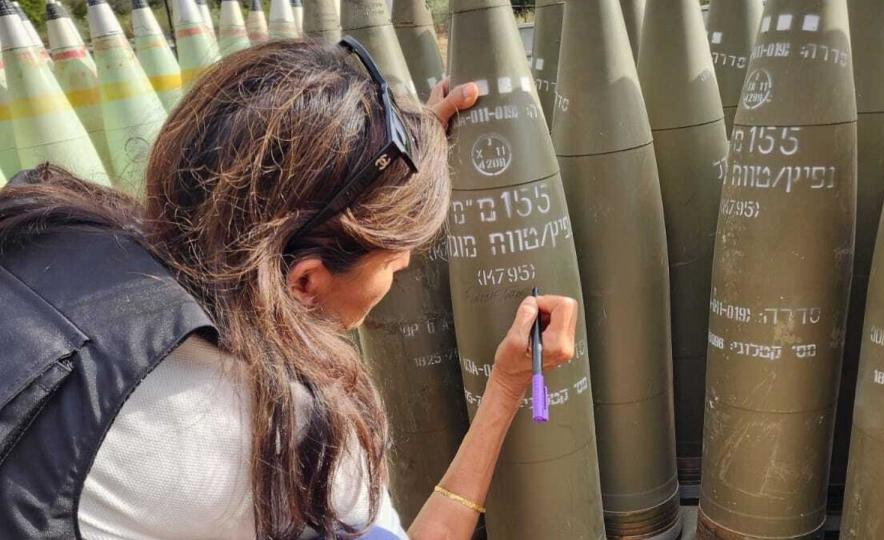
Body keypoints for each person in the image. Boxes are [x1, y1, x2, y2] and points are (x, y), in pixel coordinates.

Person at [0, 38, 579, 539]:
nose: (402, 267)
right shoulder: (289, 441)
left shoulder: (50, 224)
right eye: (394, 262)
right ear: (303, 280)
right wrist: (505, 388)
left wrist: (397, 170)